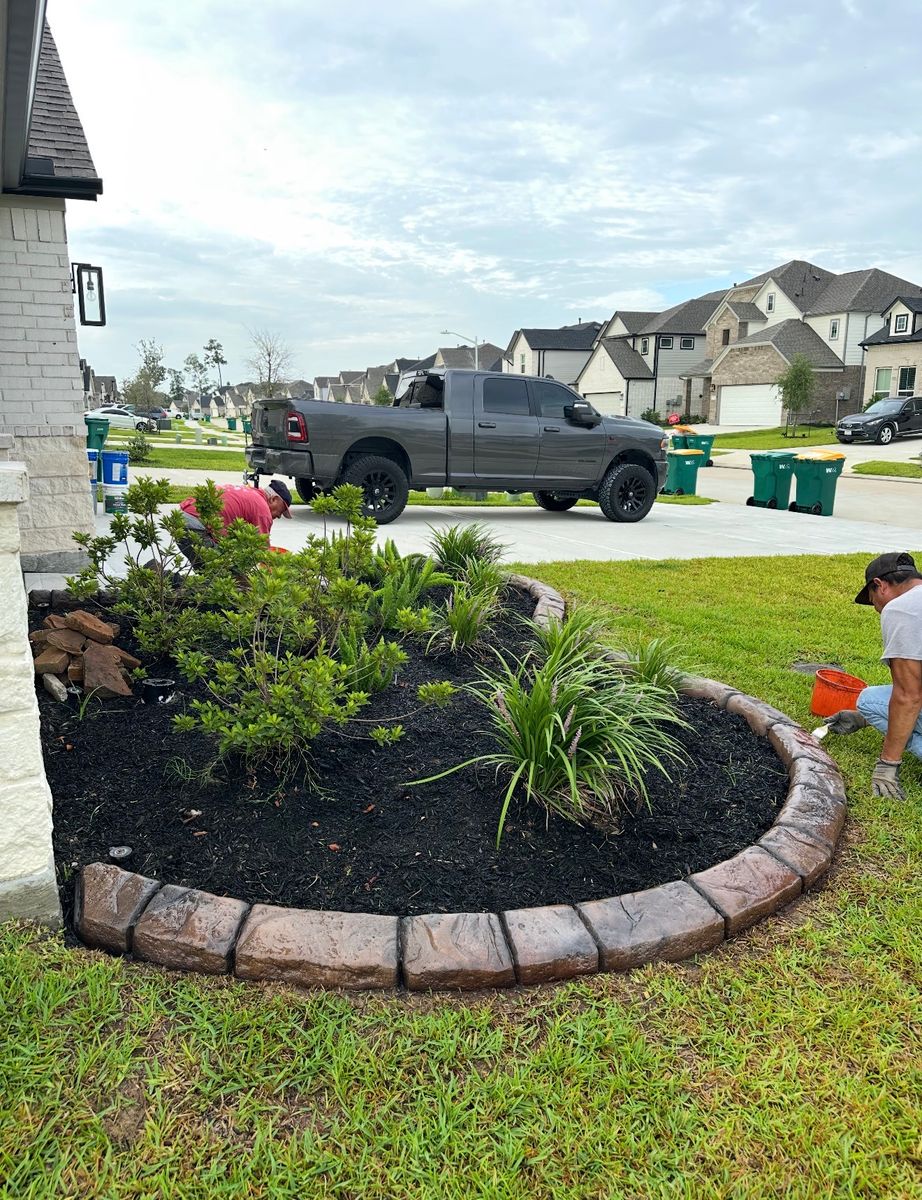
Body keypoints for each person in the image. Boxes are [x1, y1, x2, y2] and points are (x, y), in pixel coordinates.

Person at [824, 551, 922, 799]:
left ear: (880, 585)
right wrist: (865, 719)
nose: (877, 610)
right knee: (874, 705)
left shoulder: (901, 609)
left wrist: (887, 765)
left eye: (873, 602)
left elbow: (909, 695)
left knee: (868, 700)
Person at [177, 480, 292, 563]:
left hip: (180, 519)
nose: (279, 516)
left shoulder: (249, 493)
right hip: (195, 526)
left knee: (209, 572)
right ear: (273, 499)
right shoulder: (262, 509)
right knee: (223, 574)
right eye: (281, 510)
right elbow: (262, 550)